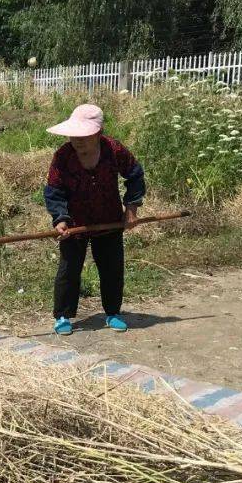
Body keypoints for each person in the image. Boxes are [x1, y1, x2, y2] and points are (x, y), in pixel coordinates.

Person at [43, 104, 146, 336]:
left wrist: (131, 209)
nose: (77, 140)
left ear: (98, 133)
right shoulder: (63, 156)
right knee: (69, 269)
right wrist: (60, 219)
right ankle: (63, 316)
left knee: (112, 268)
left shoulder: (114, 150)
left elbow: (135, 176)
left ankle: (112, 312)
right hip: (74, 223)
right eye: (74, 135)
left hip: (108, 219)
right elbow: (54, 191)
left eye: (84, 135)